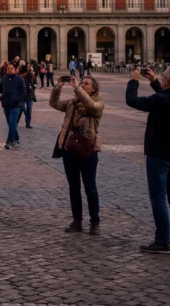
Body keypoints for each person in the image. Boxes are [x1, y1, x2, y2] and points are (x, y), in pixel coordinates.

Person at [126, 66, 170, 254]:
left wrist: (134, 80)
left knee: (158, 198)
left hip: (159, 156)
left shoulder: (161, 100)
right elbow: (167, 98)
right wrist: (154, 81)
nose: (161, 78)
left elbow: (131, 100)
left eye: (163, 76)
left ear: (168, 81)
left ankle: (162, 240)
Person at [49, 76, 104, 235]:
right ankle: (77, 221)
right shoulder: (72, 103)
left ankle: (94, 222)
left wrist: (76, 88)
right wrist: (58, 87)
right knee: (74, 187)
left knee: (90, 188)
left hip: (88, 150)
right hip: (70, 148)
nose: (81, 84)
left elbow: (91, 106)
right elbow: (54, 103)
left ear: (93, 89)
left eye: (86, 84)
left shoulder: (98, 103)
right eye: (81, 82)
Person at [0, 63, 26, 149]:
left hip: (15, 105)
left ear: (15, 69)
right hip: (6, 105)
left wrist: (17, 100)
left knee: (12, 123)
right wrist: (1, 97)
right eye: (8, 68)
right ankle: (16, 138)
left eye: (11, 68)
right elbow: (0, 90)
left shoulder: (19, 79)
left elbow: (23, 92)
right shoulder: (3, 79)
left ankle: (9, 141)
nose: (9, 69)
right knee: (10, 124)